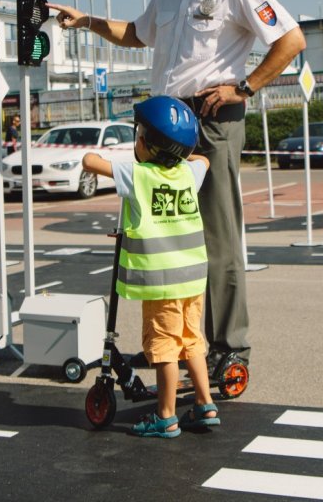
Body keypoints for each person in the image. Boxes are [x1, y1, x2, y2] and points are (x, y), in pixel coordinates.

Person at [50, 0, 306, 378]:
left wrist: (245, 86)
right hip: (162, 123)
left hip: (210, 121)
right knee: (163, 233)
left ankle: (229, 346)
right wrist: (85, 21)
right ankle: (169, 341)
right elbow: (135, 34)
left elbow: (290, 39)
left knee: (217, 236)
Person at [83, 95, 219, 438]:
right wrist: (182, 155)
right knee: (192, 341)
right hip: (192, 278)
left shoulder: (138, 175)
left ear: (147, 143)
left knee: (164, 348)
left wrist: (112, 157)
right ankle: (205, 405)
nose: (136, 139)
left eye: (140, 134)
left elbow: (89, 161)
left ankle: (166, 415)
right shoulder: (189, 173)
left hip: (162, 284)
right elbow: (203, 159)